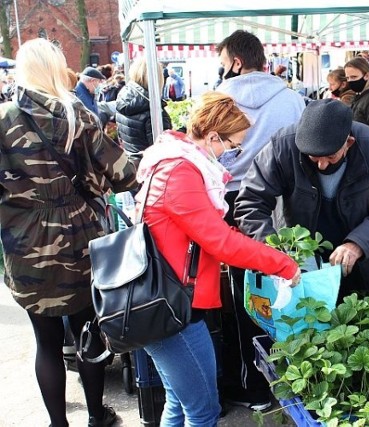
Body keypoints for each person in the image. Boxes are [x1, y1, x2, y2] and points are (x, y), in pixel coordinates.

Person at [136, 92, 301, 427]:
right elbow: (221, 243)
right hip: (175, 308)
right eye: (231, 145)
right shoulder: (181, 173)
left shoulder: (171, 160)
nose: (231, 153)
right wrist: (284, 264)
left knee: (179, 404)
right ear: (212, 137)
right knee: (202, 412)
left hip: (166, 300)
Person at [0, 38, 138, 427]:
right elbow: (125, 174)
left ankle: (57, 423)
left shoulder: (3, 118)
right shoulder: (77, 114)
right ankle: (97, 416)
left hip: (22, 243)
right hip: (80, 237)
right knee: (86, 333)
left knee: (45, 341)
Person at [215, 29, 305, 411]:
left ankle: (256, 388)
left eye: (223, 63)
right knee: (289, 285)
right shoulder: (293, 99)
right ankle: (299, 376)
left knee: (245, 293)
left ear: (236, 61)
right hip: (286, 203)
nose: (221, 71)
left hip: (235, 201)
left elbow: (213, 155)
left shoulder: (219, 100)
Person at [235, 99, 369, 298]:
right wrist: (272, 248)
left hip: (357, 261)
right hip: (297, 257)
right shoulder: (283, 145)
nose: (322, 165)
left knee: (354, 315)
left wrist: (358, 244)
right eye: (313, 157)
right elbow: (250, 201)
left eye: (331, 156)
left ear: (348, 143)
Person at [116, 56, 172, 168]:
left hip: (134, 166)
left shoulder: (123, 97)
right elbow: (164, 151)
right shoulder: (153, 110)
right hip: (150, 170)